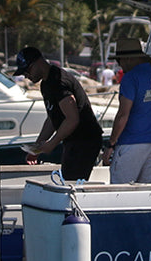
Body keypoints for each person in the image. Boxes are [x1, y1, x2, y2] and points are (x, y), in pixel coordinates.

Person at [15, 45, 104, 181]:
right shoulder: (46, 84)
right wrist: (36, 148)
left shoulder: (59, 81)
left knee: (71, 181)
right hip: (73, 140)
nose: (26, 76)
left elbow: (72, 119)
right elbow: (53, 118)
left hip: (85, 140)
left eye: (27, 70)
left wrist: (52, 143)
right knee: (68, 178)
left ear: (38, 62)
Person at [102, 38, 151, 183]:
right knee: (144, 194)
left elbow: (122, 116)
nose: (120, 65)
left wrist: (111, 144)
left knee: (119, 193)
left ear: (128, 59)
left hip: (131, 143)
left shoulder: (130, 77)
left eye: (120, 60)